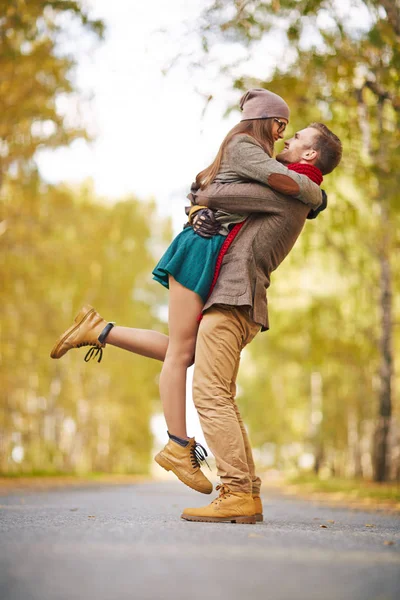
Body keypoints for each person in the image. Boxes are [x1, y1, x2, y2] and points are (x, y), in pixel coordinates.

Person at [50, 89, 325, 500]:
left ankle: (100, 330)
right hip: (200, 246)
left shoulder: (251, 151)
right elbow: (271, 189)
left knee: (185, 350)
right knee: (182, 355)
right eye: (286, 128)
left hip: (208, 248)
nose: (287, 138)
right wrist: (315, 194)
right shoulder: (245, 145)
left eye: (296, 135)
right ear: (274, 123)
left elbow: (243, 192)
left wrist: (313, 194)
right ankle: (178, 446)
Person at [179, 120, 342, 524]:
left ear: (309, 155)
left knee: (210, 396)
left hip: (234, 299)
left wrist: (201, 193)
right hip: (241, 302)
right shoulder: (292, 189)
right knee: (222, 397)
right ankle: (245, 492)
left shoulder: (286, 192)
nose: (288, 139)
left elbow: (217, 191)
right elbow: (214, 197)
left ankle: (235, 492)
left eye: (298, 137)